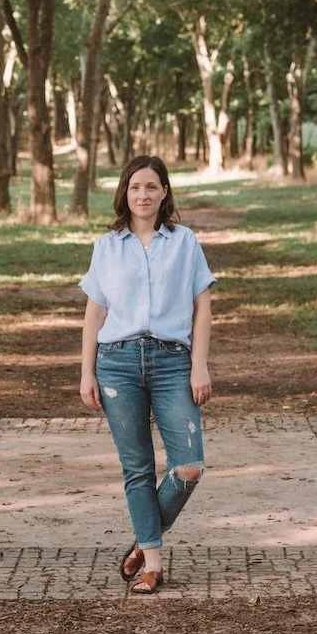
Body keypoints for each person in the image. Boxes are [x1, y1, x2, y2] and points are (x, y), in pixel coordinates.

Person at [79, 154, 215, 595]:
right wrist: (86, 373)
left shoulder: (184, 242)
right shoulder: (107, 246)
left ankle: (143, 538)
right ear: (125, 192)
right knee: (137, 467)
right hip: (116, 362)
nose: (143, 194)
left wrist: (199, 365)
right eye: (135, 186)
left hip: (173, 361)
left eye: (152, 186)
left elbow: (202, 308)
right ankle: (152, 565)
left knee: (189, 465)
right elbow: (94, 314)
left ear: (164, 192)